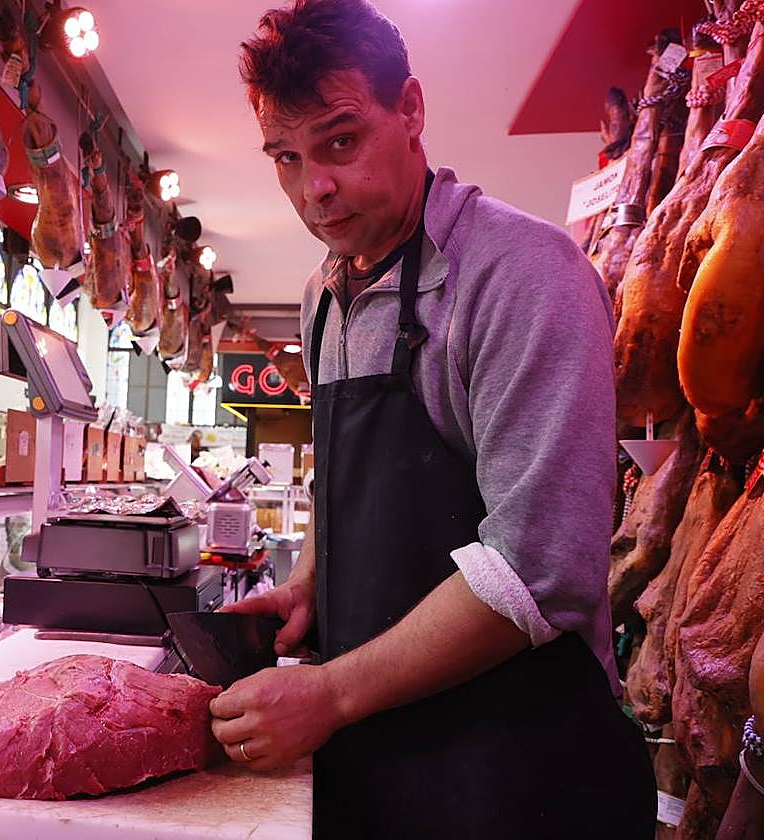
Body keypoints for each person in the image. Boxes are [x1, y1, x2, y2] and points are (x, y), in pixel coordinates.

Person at [210, 1, 656, 836]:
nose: (316, 187)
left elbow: (540, 570)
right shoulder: (321, 296)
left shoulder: (523, 274)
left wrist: (334, 691)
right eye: (287, 157)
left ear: (409, 109)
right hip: (379, 764)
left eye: (341, 141)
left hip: (520, 777)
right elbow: (361, 486)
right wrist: (314, 580)